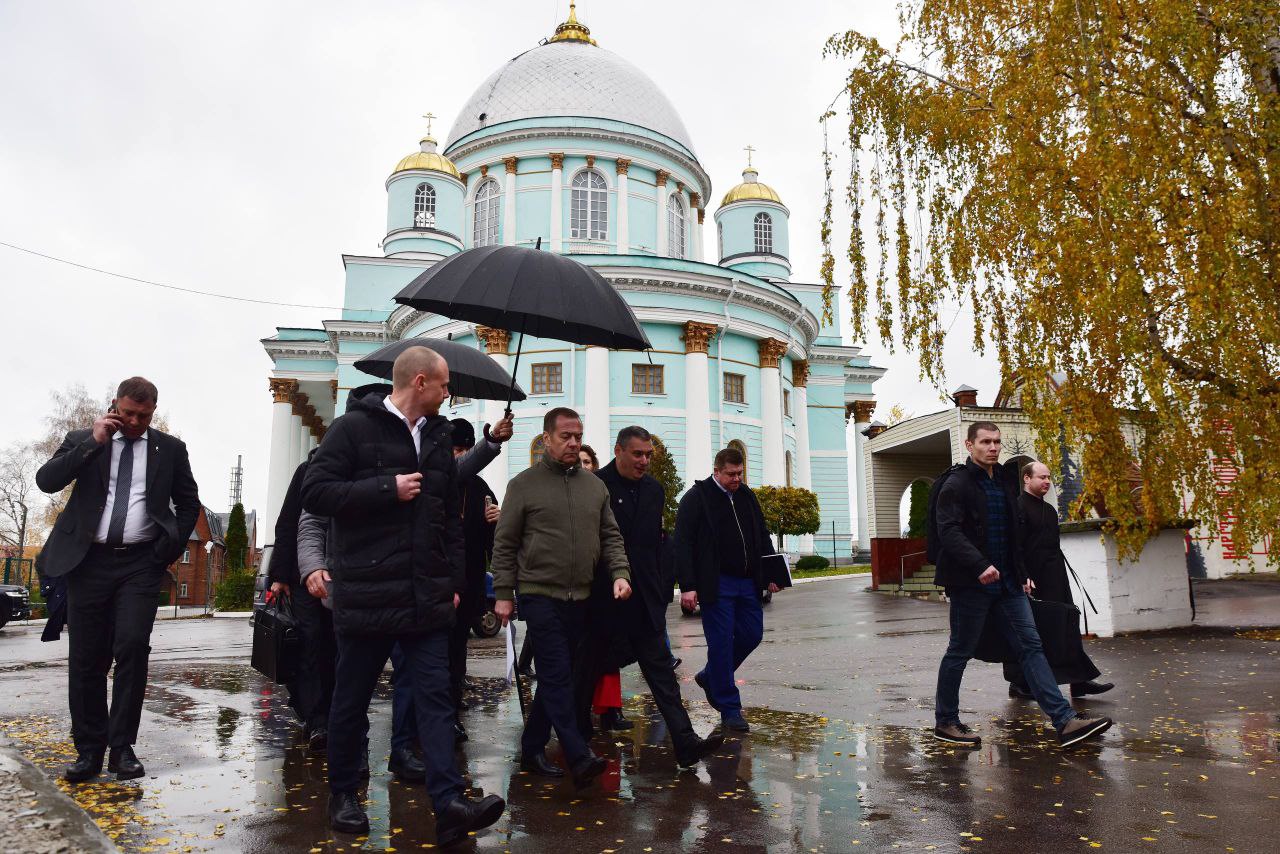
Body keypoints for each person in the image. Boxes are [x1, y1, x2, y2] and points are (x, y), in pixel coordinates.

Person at [301, 347, 504, 842]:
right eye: (443, 385)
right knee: (351, 700)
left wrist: (456, 582)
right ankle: (345, 795)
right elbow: (316, 492)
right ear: (420, 381)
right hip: (368, 591)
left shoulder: (436, 436)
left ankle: (449, 801)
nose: (448, 393)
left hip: (427, 595)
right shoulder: (353, 429)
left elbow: (447, 516)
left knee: (435, 699)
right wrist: (384, 488)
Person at [36, 377, 200, 783]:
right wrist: (93, 441)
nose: (134, 422)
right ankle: (88, 750)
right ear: (114, 406)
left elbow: (188, 502)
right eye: (127, 413)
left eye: (143, 416)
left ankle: (122, 748)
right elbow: (47, 481)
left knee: (131, 647)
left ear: (153, 412)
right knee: (87, 658)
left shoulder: (170, 449)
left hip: (140, 564)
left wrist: (168, 547)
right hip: (87, 562)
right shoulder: (82, 438)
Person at [932, 422, 1113, 749]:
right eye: (985, 442)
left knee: (1031, 645)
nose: (993, 447)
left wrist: (1021, 572)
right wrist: (979, 565)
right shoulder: (956, 484)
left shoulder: (1002, 481)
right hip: (971, 585)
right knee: (960, 650)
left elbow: (1013, 534)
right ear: (969, 444)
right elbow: (949, 532)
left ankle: (1065, 721)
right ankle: (946, 721)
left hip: (1008, 585)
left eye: (997, 442)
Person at [491, 407, 631, 789]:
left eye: (578, 436)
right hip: (539, 594)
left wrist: (620, 574)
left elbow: (610, 537)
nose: (573, 443)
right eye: (566, 436)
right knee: (555, 674)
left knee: (561, 678)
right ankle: (577, 753)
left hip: (580, 597)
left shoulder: (594, 487)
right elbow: (504, 544)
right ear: (547, 439)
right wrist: (503, 593)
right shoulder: (524, 485)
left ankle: (532, 747)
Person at [580, 426, 724, 767]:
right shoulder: (595, 486)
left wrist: (661, 591)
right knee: (586, 674)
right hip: (604, 599)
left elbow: (657, 545)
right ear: (619, 451)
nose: (644, 460)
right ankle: (575, 747)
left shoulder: (654, 490)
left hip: (644, 601)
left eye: (648, 454)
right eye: (637, 454)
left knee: (661, 675)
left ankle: (685, 742)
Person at [673, 446, 781, 733]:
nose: (737, 479)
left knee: (751, 634)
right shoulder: (697, 498)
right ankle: (730, 708)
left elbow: (761, 534)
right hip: (716, 583)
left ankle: (711, 676)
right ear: (717, 470)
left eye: (740, 473)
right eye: (731, 474)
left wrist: (770, 572)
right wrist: (688, 586)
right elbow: (682, 543)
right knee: (720, 644)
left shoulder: (746, 496)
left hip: (747, 582)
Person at [1006, 461, 1113, 699]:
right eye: (1041, 477)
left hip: (1056, 576)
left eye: (1048, 478)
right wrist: (1022, 575)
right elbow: (1015, 547)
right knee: (1034, 632)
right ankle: (1019, 684)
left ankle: (1079, 681)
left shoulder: (1050, 510)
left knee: (1067, 626)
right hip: (1032, 581)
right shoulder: (1018, 508)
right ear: (1026, 479)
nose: (1046, 482)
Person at [268, 450, 335, 753]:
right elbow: (287, 522)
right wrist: (280, 575)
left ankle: (331, 713)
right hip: (301, 575)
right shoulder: (308, 468)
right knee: (310, 642)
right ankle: (316, 719)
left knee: (334, 646)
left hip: (341, 575)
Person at [445, 417, 500, 741]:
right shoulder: (435, 483)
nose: (460, 455)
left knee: (456, 656)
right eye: (455, 449)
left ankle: (452, 715)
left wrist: (496, 520)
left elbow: (495, 544)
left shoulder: (479, 489)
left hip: (468, 586)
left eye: (465, 449)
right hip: (436, 586)